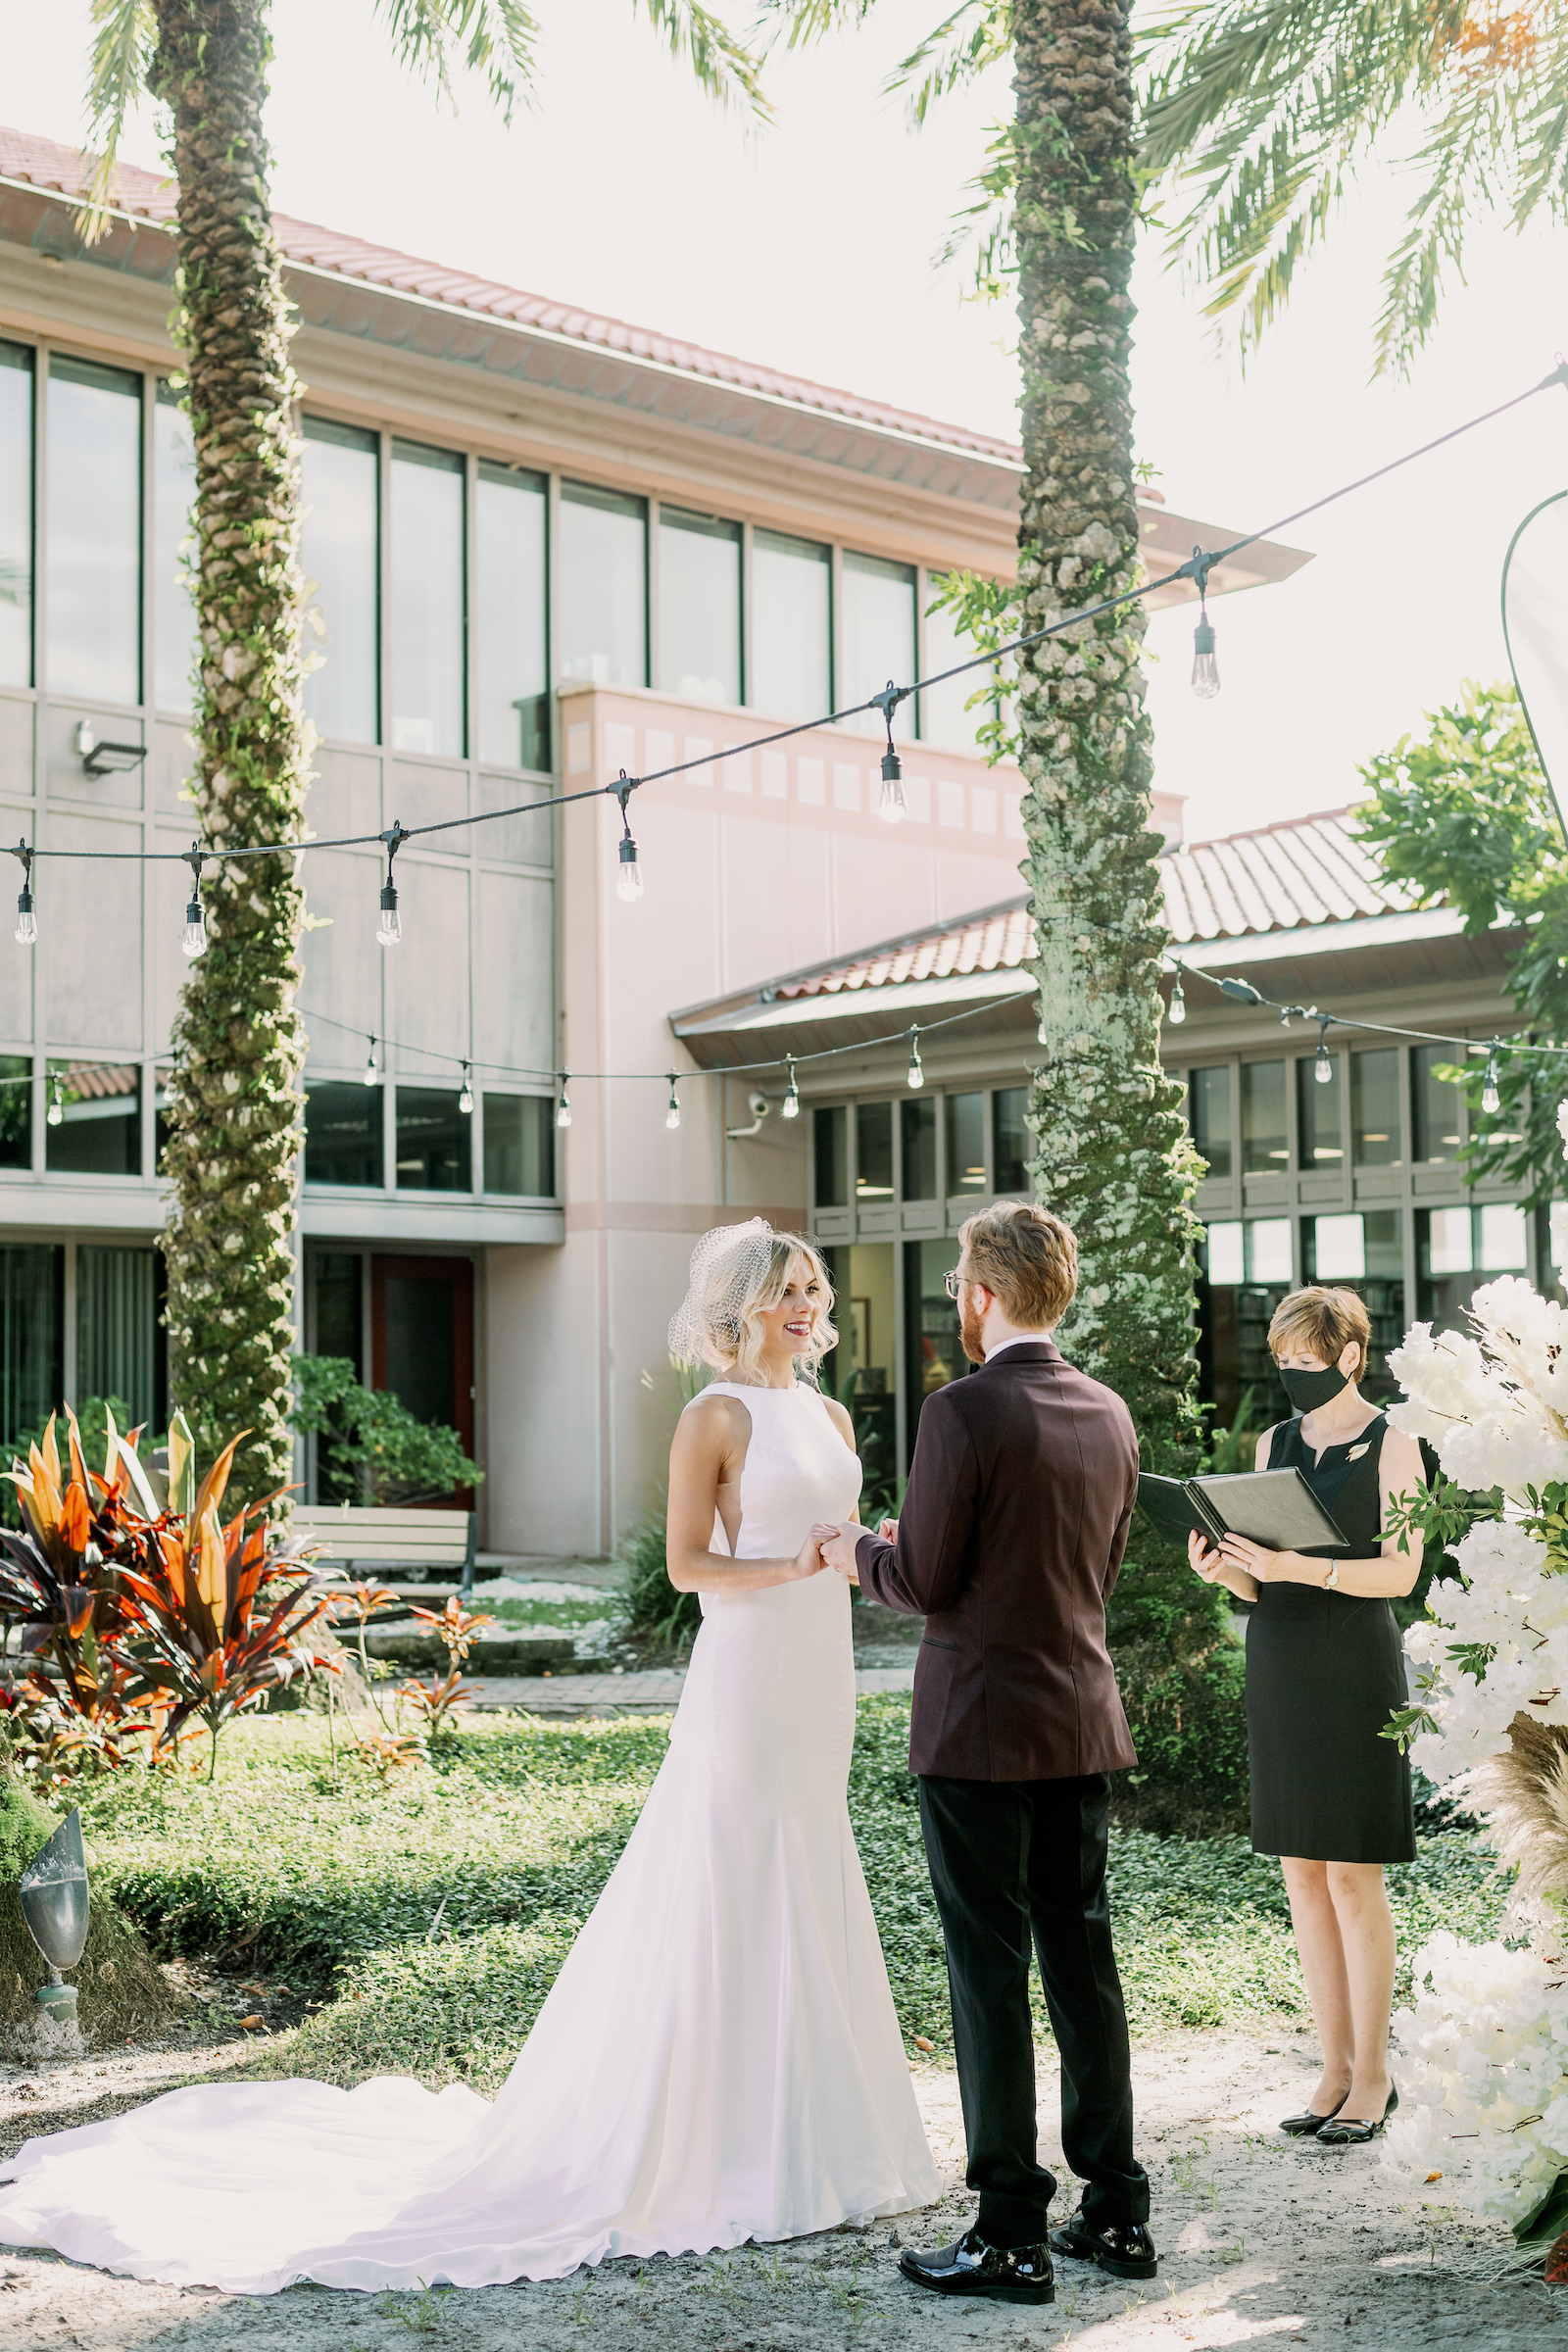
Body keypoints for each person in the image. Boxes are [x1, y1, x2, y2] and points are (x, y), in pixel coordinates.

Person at [0, 1221, 937, 2291]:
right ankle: (722, 2143)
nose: (808, 1305)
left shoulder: (823, 1412)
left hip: (819, 1672)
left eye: (814, 1287)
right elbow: (687, 1567)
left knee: (811, 1858)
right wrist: (791, 1565)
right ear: (739, 1307)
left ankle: (819, 2128)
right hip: (748, 1674)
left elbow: (843, 1536)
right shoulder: (711, 1414)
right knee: (735, 1866)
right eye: (787, 1291)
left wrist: (865, 1557)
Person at [818, 1201, 1155, 2307]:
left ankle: (1009, 2229)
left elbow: (920, 1578)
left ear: (980, 1294)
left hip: (975, 1728)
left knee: (987, 1973)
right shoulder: (1107, 1412)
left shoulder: (959, 1412)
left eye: (960, 1282)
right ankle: (1115, 2211)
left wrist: (852, 1550)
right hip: (1078, 1718)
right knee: (1082, 1962)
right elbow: (1094, 1573)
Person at [1188, 1284, 1426, 2148]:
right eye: (1281, 1360)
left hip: (1354, 1660)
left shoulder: (1393, 1447)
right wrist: (1229, 1571)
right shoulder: (1274, 1441)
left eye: (1307, 1361)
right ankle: (1330, 2069)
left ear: (1351, 1356)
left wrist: (1305, 1568)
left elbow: (1401, 1573)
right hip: (1281, 1658)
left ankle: (1373, 2077)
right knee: (1301, 1875)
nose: (1290, 1374)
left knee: (1354, 1875)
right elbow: (1260, 1580)